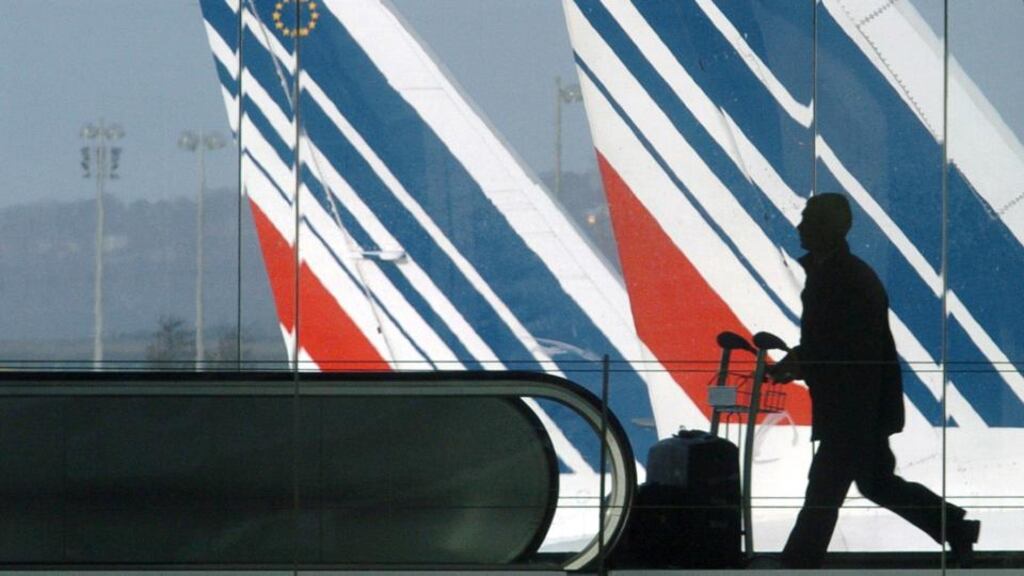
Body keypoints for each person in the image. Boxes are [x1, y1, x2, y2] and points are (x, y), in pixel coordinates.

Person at [769, 193, 980, 568]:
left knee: (824, 491)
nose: (800, 226)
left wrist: (800, 363)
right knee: (875, 483)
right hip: (860, 408)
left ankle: (798, 564)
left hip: (851, 410)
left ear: (828, 228)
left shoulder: (841, 279)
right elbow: (840, 344)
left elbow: (844, 348)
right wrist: (801, 361)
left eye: (809, 219)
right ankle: (956, 528)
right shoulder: (843, 275)